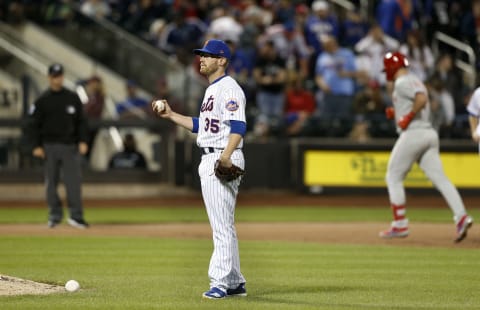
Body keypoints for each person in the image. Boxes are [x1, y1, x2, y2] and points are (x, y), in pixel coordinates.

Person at [151, 39, 247, 299]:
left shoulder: (229, 88)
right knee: (225, 224)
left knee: (221, 227)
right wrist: (171, 115)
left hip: (221, 157)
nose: (201, 59)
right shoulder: (212, 90)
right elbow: (202, 126)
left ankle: (219, 283)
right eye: (201, 55)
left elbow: (238, 127)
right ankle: (236, 281)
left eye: (208, 55)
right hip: (213, 155)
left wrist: (226, 157)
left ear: (222, 60)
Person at [379, 52, 473, 243]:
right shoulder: (415, 79)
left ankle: (400, 224)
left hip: (414, 134)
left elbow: (420, 100)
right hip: (429, 134)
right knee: (441, 179)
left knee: (393, 176)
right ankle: (461, 216)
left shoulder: (401, 82)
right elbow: (419, 98)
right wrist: (397, 113)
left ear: (391, 67)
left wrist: (406, 117)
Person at [30, 63, 90, 229]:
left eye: (60, 76)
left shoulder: (72, 98)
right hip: (49, 146)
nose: (58, 79)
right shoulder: (42, 100)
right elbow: (34, 125)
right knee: (51, 183)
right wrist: (36, 145)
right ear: (49, 77)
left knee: (73, 183)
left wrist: (83, 140)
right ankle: (54, 216)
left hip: (70, 146)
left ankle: (76, 216)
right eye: (55, 76)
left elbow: (82, 122)